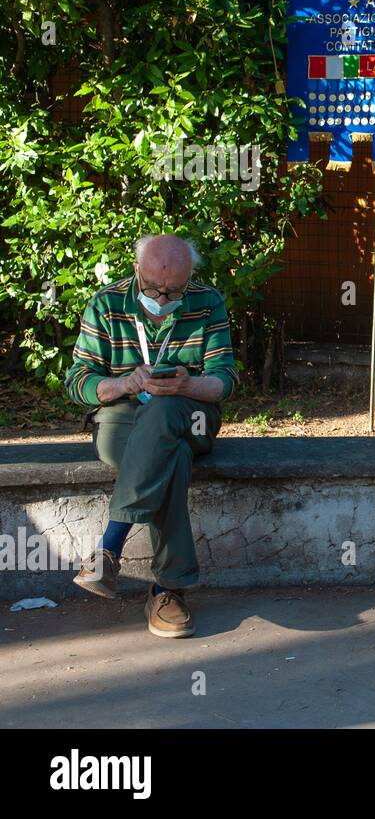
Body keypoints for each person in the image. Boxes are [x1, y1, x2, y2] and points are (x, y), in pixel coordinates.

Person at [66, 234, 237, 638]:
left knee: (163, 413)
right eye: (153, 289)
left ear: (190, 278)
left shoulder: (208, 302)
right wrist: (125, 383)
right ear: (136, 270)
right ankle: (168, 592)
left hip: (190, 415)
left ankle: (109, 548)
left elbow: (224, 382)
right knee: (170, 455)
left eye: (174, 291)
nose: (162, 298)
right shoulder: (106, 304)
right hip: (122, 420)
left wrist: (186, 385)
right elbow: (77, 383)